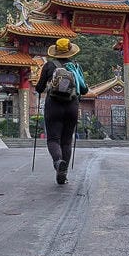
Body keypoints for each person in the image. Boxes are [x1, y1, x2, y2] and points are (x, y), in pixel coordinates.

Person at [35, 37, 88, 185]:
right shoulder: (75, 66)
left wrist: (43, 87)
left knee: (53, 139)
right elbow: (84, 89)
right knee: (67, 141)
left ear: (55, 51)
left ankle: (58, 162)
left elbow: (39, 88)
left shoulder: (49, 65)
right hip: (72, 106)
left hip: (53, 106)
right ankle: (63, 174)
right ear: (70, 51)